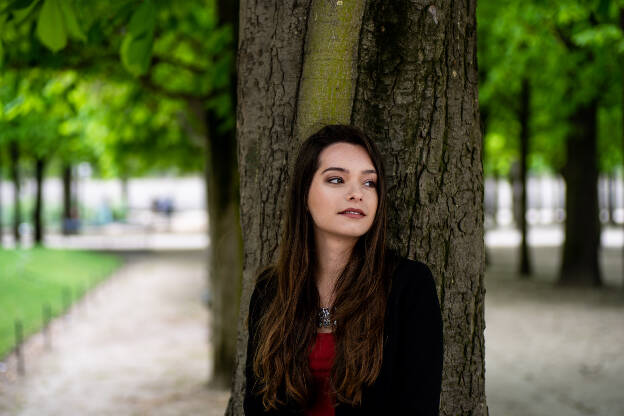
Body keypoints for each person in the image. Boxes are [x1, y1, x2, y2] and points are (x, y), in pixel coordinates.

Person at [244, 125, 443, 415]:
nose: (356, 194)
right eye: (337, 179)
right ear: (304, 195)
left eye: (369, 183)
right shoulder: (270, 291)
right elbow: (256, 405)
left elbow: (420, 407)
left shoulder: (409, 285)